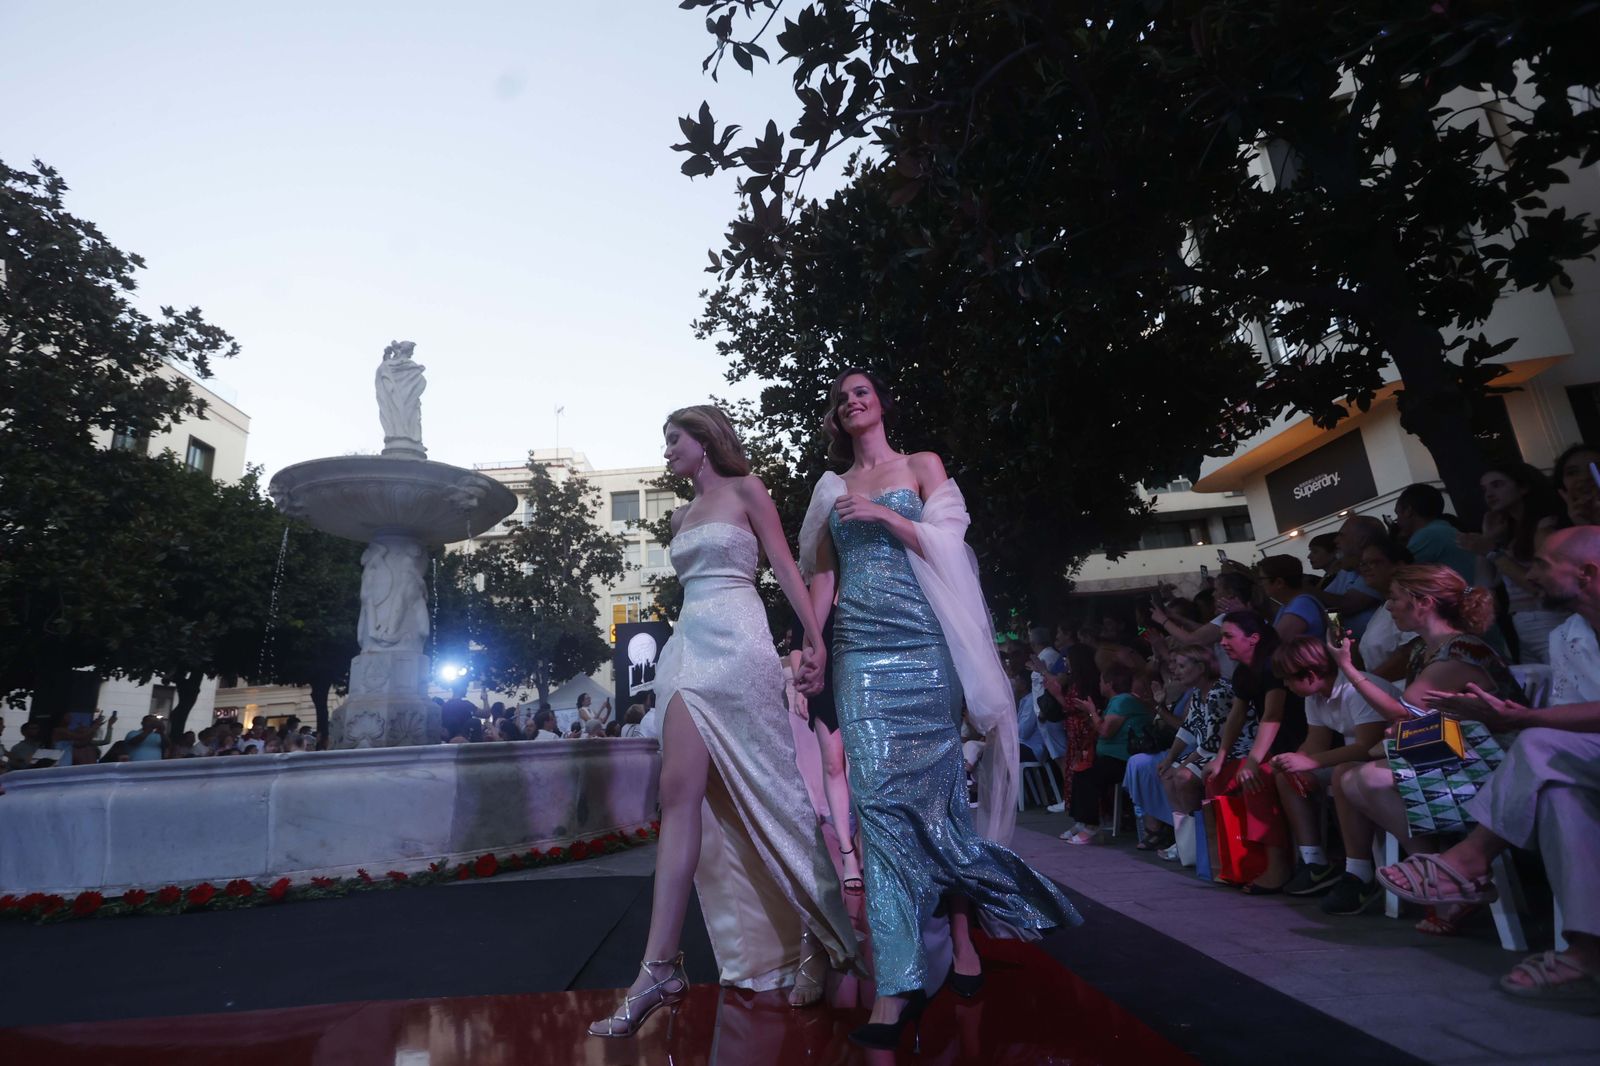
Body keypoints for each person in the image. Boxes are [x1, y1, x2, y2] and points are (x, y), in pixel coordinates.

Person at [800, 369, 1079, 1047]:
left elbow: (951, 549)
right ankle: (896, 989)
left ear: (881, 403)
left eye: (861, 391)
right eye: (841, 399)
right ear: (837, 419)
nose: (852, 402)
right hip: (860, 652)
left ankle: (976, 924)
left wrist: (889, 516)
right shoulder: (831, 490)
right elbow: (824, 574)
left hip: (927, 647)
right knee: (879, 812)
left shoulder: (922, 466)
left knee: (937, 805)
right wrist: (811, 646)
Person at [590, 405, 858, 1039]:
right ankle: (658, 968)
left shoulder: (747, 490)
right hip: (685, 650)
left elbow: (786, 569)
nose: (666, 452)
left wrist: (814, 640)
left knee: (778, 794)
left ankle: (818, 934)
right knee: (678, 798)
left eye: (672, 440)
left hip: (741, 649)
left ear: (704, 441)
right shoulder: (680, 516)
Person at [1321, 564, 1520, 919]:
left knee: (1366, 778)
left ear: (1423, 603)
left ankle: (1442, 881)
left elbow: (1403, 712)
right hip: (1453, 753)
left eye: (1395, 598)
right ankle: (1437, 873)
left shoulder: (1460, 651)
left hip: (1490, 765)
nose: (1390, 607)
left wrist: (1348, 668)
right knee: (1347, 772)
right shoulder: (1423, 650)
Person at [1269, 637, 1391, 896]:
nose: (1285, 685)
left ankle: (1359, 872)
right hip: (1351, 761)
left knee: (1341, 772)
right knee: (1286, 778)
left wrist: (1309, 761)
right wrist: (1292, 762)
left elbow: (1367, 747)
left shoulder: (1355, 690)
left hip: (1384, 761)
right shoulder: (1314, 697)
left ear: (1311, 675)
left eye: (1289, 679)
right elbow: (1317, 741)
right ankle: (1314, 861)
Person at [1207, 612, 1304, 893]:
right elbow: (1236, 717)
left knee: (1255, 779)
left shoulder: (1274, 664)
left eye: (1228, 636)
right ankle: (1235, 863)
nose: (1222, 642)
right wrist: (1220, 757)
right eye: (1221, 636)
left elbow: (1272, 715)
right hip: (1269, 749)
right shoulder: (1243, 672)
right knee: (1218, 779)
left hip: (1296, 746)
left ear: (1253, 639)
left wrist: (1252, 761)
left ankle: (1278, 867)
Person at [783, 613, 864, 895]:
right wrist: (801, 682)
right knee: (833, 764)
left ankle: (865, 841)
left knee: (865, 764)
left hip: (863, 673)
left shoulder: (861, 582)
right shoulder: (813, 589)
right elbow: (797, 643)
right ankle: (847, 852)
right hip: (824, 678)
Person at [1458, 461, 1567, 664]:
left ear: (1523, 487)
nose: (1489, 494)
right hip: (1522, 623)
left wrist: (1492, 551)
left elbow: (1541, 585)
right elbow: (1484, 583)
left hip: (1549, 617)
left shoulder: (1545, 525)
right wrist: (1487, 538)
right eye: (1485, 489)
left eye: (1498, 485)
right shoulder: (1508, 533)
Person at [1059, 663, 1152, 845]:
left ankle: (1091, 826)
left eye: (1101, 681)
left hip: (1123, 759)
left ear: (1110, 683)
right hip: (1110, 757)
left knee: (1089, 775)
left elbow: (1105, 731)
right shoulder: (1116, 702)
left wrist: (1092, 712)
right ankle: (1081, 821)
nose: (1099, 684)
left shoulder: (1122, 700)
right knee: (1080, 771)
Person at [1314, 515, 1386, 639]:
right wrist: (1339, 641)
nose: (1336, 541)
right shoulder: (1347, 570)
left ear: (1362, 540)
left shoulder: (1378, 571)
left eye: (1341, 535)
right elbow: (1332, 610)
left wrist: (1306, 590)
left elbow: (1346, 605)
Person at [1355, 539, 1417, 678]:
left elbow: (1412, 652)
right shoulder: (1382, 609)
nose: (1365, 568)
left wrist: (1366, 685)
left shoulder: (1414, 599)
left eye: (1373, 562)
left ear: (1399, 565)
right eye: (1362, 564)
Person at [1394, 483, 1476, 583]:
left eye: (1397, 513)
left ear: (1408, 510)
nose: (1397, 521)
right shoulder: (1444, 530)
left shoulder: (1428, 535)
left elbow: (1396, 578)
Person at [1258, 555, 1327, 641]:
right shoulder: (1292, 605)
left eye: (1262, 579)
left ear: (1279, 582)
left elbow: (1274, 645)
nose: (1261, 584)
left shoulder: (1301, 606)